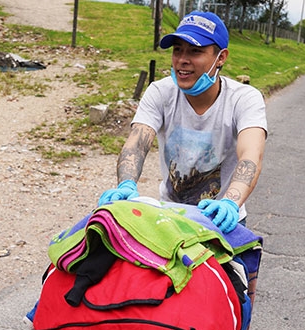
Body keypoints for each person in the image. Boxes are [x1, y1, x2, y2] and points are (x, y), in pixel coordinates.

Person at [98, 11, 267, 234]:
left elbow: (251, 156)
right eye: (178, 50)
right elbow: (137, 144)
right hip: (170, 216)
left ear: (221, 57)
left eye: (195, 51)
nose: (182, 60)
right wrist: (126, 184)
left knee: (238, 268)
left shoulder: (244, 99)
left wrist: (230, 203)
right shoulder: (160, 92)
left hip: (221, 219)